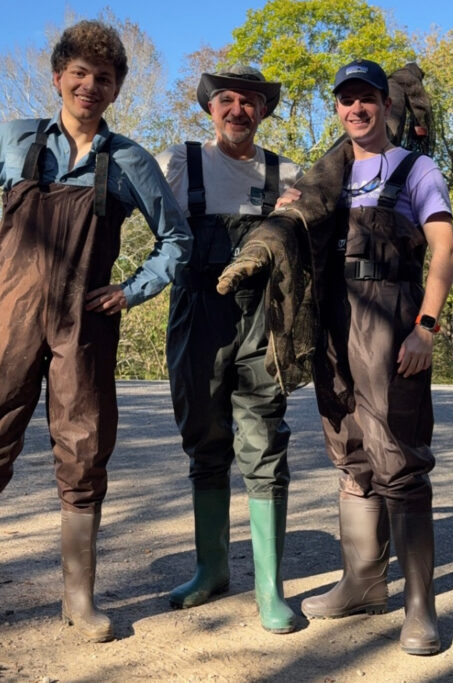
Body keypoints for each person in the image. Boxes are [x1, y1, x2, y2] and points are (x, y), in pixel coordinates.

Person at [0, 20, 192, 647]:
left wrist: (132, 289)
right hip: (7, 318)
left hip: (84, 325)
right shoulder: (11, 141)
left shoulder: (129, 161)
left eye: (105, 78)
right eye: (81, 74)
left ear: (117, 89)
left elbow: (178, 240)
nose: (90, 86)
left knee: (85, 448)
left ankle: (79, 600)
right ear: (59, 76)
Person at [220, 59, 453, 655]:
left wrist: (425, 328)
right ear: (338, 108)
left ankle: (419, 609)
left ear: (385, 105)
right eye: (346, 100)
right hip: (331, 318)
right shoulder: (327, 175)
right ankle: (362, 582)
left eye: (367, 99)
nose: (356, 109)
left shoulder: (415, 167)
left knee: (398, 457)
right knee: (349, 451)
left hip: (391, 315)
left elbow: (444, 249)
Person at [155, 65, 303, 634]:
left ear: (263, 112)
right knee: (204, 438)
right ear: (210, 109)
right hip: (195, 312)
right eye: (227, 100)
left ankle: (270, 589)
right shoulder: (179, 162)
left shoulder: (285, 173)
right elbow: (143, 226)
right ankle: (210, 570)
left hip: (261, 319)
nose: (238, 109)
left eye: (250, 102)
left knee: (264, 442)